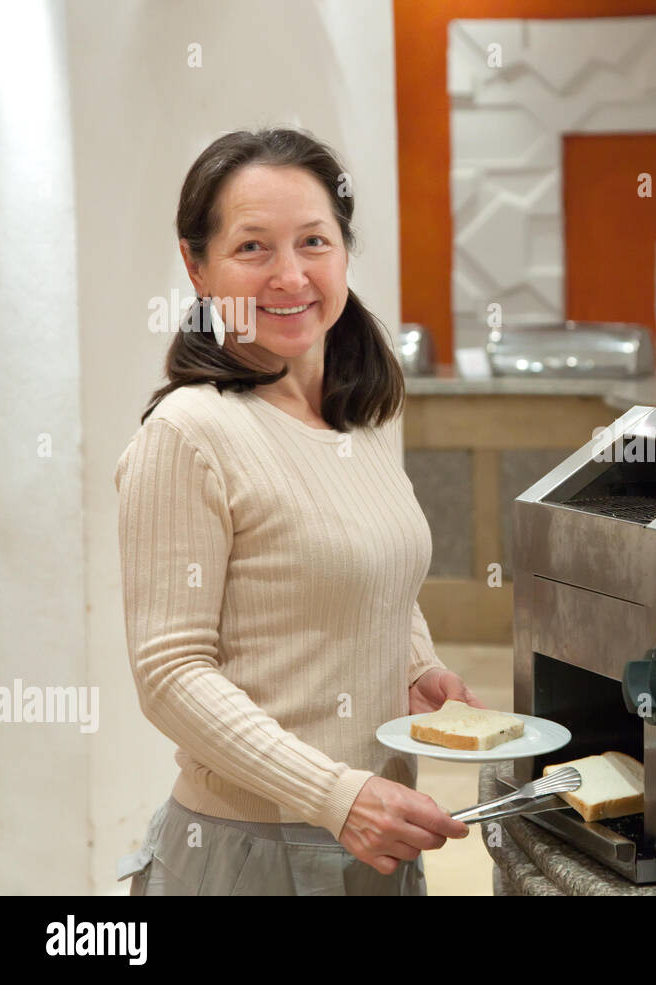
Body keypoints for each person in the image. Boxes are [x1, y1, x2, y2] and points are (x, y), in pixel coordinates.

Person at [114, 127, 477, 895]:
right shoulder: (189, 433)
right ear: (196, 265)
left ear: (344, 252)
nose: (290, 275)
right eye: (252, 247)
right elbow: (171, 673)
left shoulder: (361, 419)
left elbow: (380, 568)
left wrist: (417, 666)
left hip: (376, 839)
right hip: (252, 853)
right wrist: (334, 795)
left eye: (314, 241)